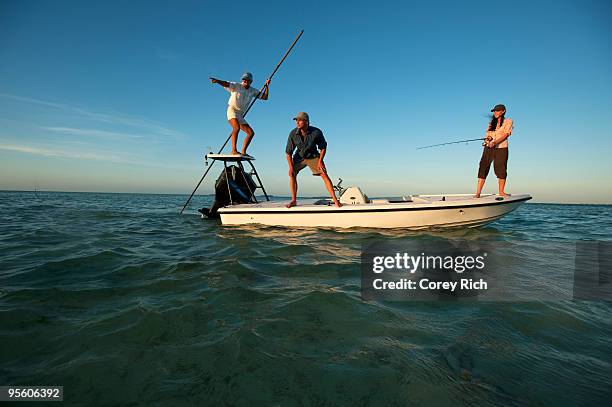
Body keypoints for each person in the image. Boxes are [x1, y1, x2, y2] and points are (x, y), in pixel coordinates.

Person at [285, 112, 341, 208]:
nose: (297, 122)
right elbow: (288, 152)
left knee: (324, 174)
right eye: (296, 120)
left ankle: (335, 200)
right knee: (292, 174)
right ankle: (294, 200)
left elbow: (323, 147)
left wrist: (320, 161)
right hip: (299, 157)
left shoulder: (316, 132)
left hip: (313, 156)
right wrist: (291, 168)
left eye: (299, 120)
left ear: (306, 122)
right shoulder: (293, 133)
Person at [210, 72, 270, 156]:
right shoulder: (236, 85)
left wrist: (267, 86)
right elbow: (226, 84)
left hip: (240, 115)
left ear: (250, 81)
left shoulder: (253, 91)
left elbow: (265, 97)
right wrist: (218, 81)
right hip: (232, 110)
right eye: (244, 79)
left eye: (247, 80)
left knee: (251, 133)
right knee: (236, 128)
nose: (245, 81)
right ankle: (233, 150)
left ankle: (243, 152)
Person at [474, 104, 513, 198]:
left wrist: (495, 142)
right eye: (494, 111)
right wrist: (487, 140)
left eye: (497, 111)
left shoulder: (508, 121)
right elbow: (488, 135)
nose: (495, 112)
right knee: (483, 167)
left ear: (503, 111)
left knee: (501, 169)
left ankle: (501, 192)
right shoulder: (491, 123)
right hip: (488, 148)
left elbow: (506, 134)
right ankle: (478, 193)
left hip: (501, 149)